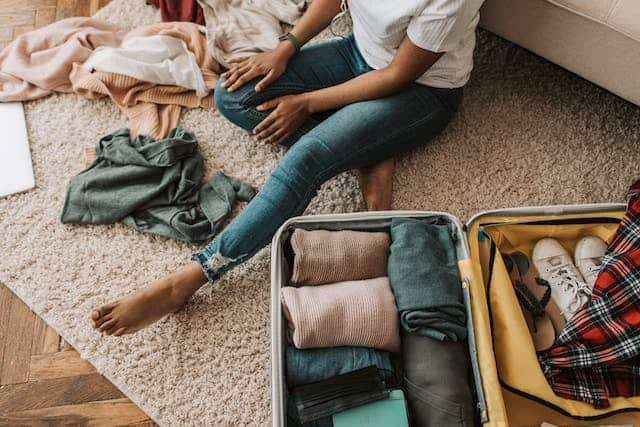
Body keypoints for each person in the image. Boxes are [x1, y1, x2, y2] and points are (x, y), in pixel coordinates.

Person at [90, 0, 483, 336]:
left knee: (308, 157)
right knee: (234, 95)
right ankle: (369, 152)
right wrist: (286, 47)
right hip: (357, 54)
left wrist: (308, 103)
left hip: (421, 92)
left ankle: (191, 278)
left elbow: (398, 74)